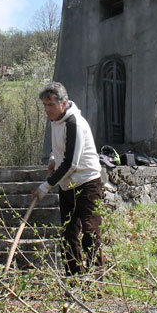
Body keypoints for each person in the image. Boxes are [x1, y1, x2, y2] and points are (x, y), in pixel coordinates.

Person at [33, 82, 104, 275]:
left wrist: (45, 187)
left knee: (89, 230)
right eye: (45, 105)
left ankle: (96, 278)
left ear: (63, 104)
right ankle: (73, 277)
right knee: (68, 232)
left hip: (87, 182)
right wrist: (53, 157)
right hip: (67, 185)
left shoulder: (75, 123)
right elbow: (61, 149)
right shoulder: (56, 122)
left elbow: (72, 163)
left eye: (51, 105)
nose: (47, 110)